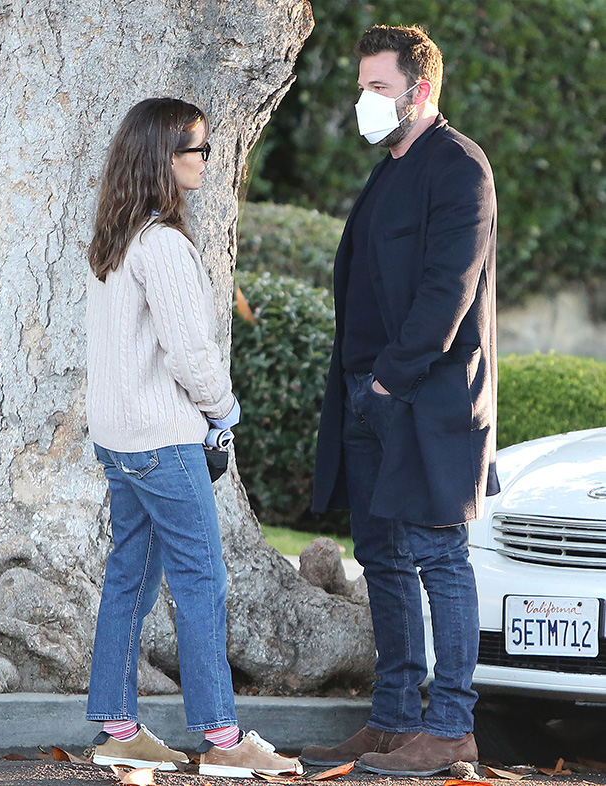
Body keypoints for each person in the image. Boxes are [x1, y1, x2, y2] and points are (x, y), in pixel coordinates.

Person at [300, 25, 499, 776]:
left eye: (377, 87)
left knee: (439, 558)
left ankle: (450, 729)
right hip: (366, 396)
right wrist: (364, 388)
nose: (364, 101)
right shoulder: (389, 168)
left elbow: (447, 291)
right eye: (362, 86)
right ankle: (391, 722)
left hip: (424, 398)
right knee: (380, 560)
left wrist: (388, 382)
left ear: (419, 90)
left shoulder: (459, 168)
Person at [85, 97, 302, 778]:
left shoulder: (114, 242)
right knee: (202, 581)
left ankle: (119, 727)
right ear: (163, 158)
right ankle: (224, 739)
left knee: (129, 580)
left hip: (119, 443)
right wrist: (223, 408)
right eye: (196, 150)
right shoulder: (166, 245)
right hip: (165, 441)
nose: (205, 161)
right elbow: (189, 355)